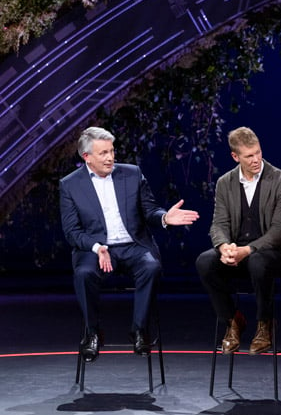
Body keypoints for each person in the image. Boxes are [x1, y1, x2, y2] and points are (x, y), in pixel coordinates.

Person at [60, 126, 200, 362]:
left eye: (112, 151)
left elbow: (150, 210)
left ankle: (139, 330)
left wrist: (165, 217)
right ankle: (93, 332)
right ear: (87, 157)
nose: (110, 158)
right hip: (97, 250)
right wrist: (96, 247)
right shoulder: (70, 185)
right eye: (103, 153)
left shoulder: (132, 174)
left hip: (133, 245)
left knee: (151, 267)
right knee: (83, 274)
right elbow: (72, 232)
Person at [195, 127, 281, 356]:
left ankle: (265, 324)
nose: (256, 159)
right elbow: (218, 223)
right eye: (249, 156)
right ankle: (232, 321)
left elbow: (280, 230)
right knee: (204, 262)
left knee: (258, 262)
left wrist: (247, 250)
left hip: (272, 253)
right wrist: (224, 247)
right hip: (237, 251)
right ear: (235, 156)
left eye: (258, 152)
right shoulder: (224, 182)